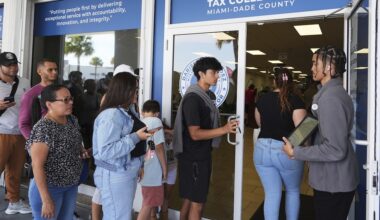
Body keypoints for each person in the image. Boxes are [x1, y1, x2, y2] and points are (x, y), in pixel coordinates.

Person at [283, 46, 359, 220]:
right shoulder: (329, 94)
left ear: (330, 68)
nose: (311, 68)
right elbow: (319, 126)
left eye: (314, 63)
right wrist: (300, 136)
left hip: (333, 184)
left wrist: (296, 152)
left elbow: (335, 149)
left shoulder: (331, 98)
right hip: (333, 181)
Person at [173, 57, 238, 220]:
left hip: (199, 155)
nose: (217, 76)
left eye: (217, 72)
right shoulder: (193, 99)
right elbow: (195, 133)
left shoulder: (207, 96)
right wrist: (224, 129)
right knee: (198, 203)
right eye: (214, 72)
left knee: (189, 199)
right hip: (194, 157)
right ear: (201, 74)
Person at [92, 71, 151, 220]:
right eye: (135, 89)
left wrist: (140, 164)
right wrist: (136, 137)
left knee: (122, 214)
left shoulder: (127, 111)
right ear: (125, 91)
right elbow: (106, 150)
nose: (137, 93)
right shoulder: (111, 115)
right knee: (118, 216)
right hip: (115, 173)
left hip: (126, 170)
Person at [27, 84, 87, 219]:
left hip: (70, 185)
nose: (71, 102)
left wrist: (82, 151)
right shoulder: (43, 129)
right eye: (65, 100)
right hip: (49, 189)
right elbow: (37, 166)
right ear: (49, 104)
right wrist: (46, 200)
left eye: (71, 99)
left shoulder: (72, 120)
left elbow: (75, 143)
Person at [253, 67, 307, 220]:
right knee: (292, 190)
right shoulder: (296, 100)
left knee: (271, 193)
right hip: (285, 150)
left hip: (262, 150)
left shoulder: (262, 99)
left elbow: (259, 124)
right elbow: (301, 132)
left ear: (273, 81)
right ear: (291, 82)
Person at [0, 51, 32, 215]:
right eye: (9, 65)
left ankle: (14, 202)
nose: (13, 68)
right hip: (1, 132)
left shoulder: (25, 82)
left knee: (15, 170)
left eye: (15, 64)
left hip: (19, 132)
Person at [138, 100, 167, 220]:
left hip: (143, 167)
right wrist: (165, 168)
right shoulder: (156, 121)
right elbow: (159, 147)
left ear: (142, 112)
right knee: (148, 204)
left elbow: (151, 145)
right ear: (157, 113)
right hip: (153, 170)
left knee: (148, 200)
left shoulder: (140, 122)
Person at [19, 58, 58, 139]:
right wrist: (35, 144)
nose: (54, 72)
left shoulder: (61, 91)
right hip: (43, 140)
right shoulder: (30, 94)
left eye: (55, 69)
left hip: (63, 138)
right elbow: (23, 124)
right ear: (39, 71)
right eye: (50, 70)